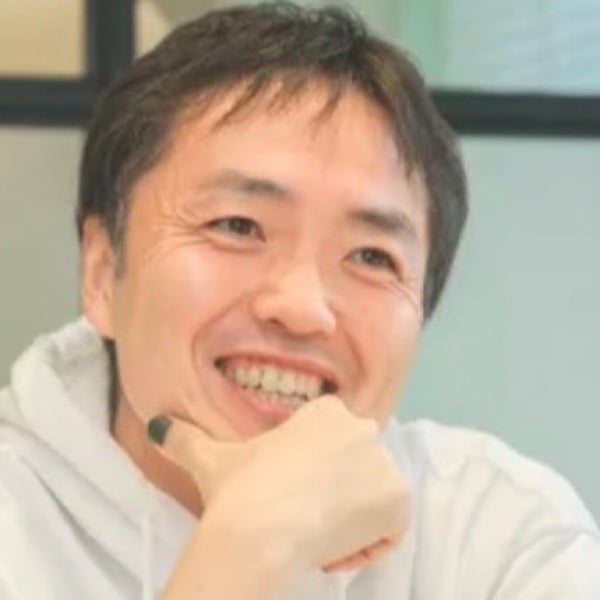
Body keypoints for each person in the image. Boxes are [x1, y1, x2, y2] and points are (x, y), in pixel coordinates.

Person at [1, 3, 598, 599]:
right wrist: (248, 550)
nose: (303, 307)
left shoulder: (495, 535)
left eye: (371, 257)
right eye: (237, 226)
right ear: (103, 272)